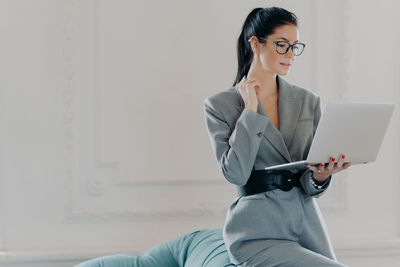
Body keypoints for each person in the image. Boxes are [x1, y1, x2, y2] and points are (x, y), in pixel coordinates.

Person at [203, 7, 351, 267]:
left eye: (295, 46)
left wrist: (321, 176)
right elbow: (236, 174)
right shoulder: (220, 105)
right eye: (282, 45)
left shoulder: (308, 100)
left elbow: (308, 181)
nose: (291, 55)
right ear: (256, 44)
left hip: (307, 225)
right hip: (256, 233)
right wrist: (250, 110)